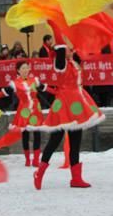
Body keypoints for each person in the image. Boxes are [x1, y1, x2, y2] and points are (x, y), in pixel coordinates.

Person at [33, 20, 105, 190]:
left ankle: (76, 178)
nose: (70, 49)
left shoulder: (74, 63)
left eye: (70, 48)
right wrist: (54, 24)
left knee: (75, 141)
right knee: (55, 140)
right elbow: (59, 45)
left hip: (78, 104)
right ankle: (39, 172)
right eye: (67, 48)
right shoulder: (61, 64)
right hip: (65, 103)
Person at [0, 61, 49, 167]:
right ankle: (28, 159)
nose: (26, 70)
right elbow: (2, 93)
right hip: (24, 110)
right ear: (18, 70)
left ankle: (36, 159)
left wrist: (59, 93)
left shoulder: (34, 80)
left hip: (35, 110)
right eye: (23, 68)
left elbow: (45, 88)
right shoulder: (14, 83)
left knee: (37, 133)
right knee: (25, 134)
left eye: (27, 67)